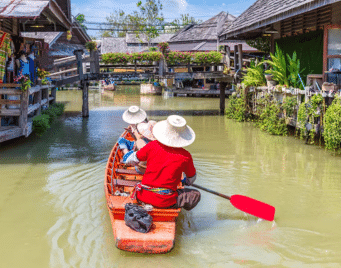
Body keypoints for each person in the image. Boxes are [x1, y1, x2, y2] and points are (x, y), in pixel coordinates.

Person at [125, 115, 201, 211]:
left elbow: (130, 160)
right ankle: (175, 208)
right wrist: (185, 181)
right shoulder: (185, 156)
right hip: (165, 201)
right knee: (196, 194)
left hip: (143, 196)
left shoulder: (152, 145)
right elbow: (191, 179)